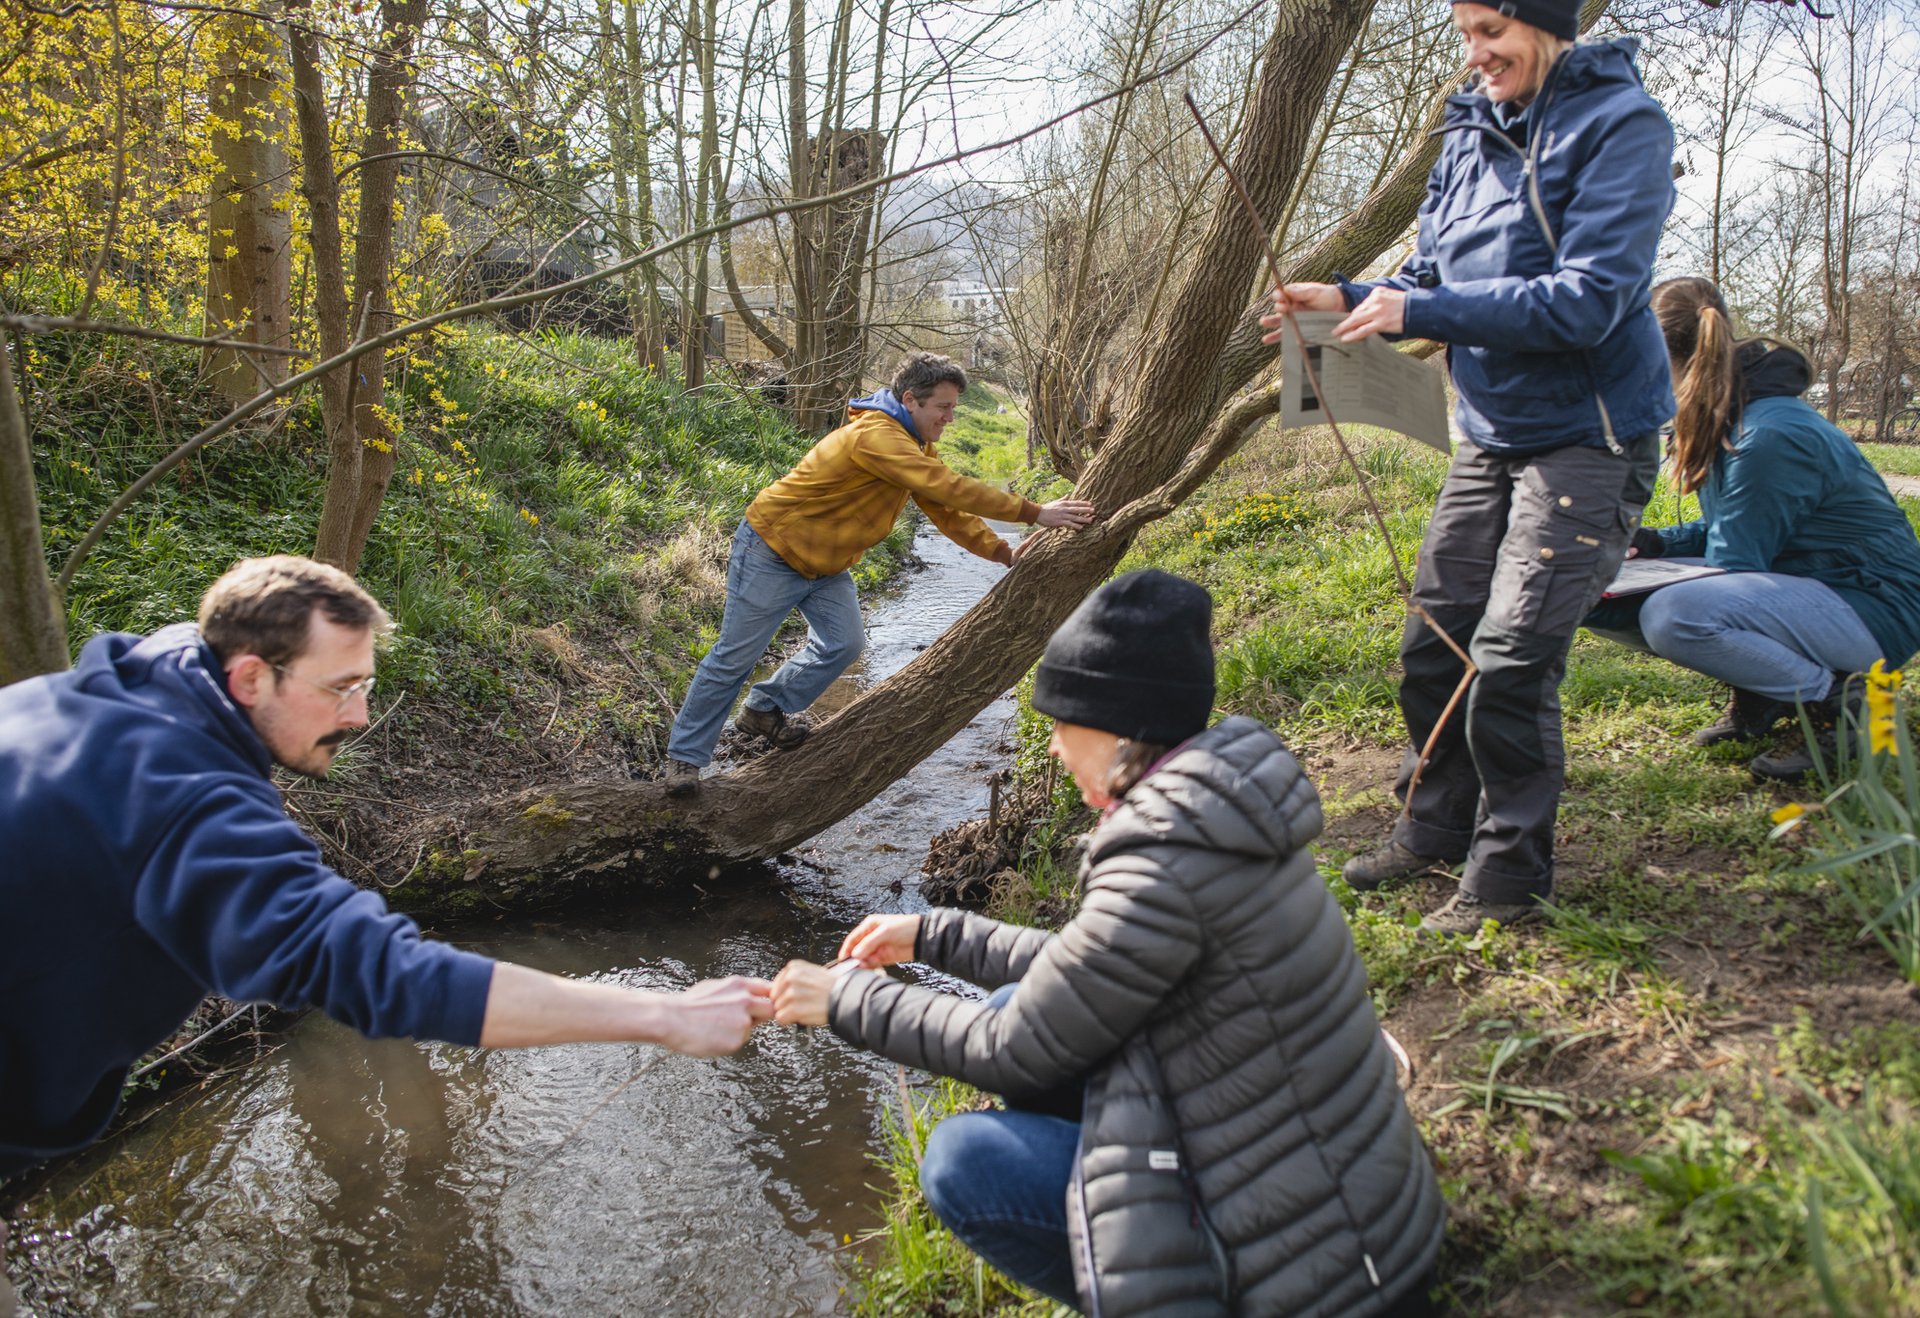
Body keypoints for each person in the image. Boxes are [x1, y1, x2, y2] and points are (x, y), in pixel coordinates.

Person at [770, 571, 1445, 1316]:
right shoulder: (1210, 813)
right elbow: (1088, 972)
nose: (1055, 747)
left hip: (1316, 1277)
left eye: (1063, 723)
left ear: (1119, 727)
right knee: (1009, 997)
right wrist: (934, 934)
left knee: (964, 1161)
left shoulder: (1164, 857)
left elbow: (1012, 1048)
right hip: (1344, 1213)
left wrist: (845, 999)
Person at [0, 556, 772, 1186]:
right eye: (340, 689)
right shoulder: (182, 802)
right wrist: (661, 1017)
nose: (360, 716)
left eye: (365, 683)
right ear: (247, 680)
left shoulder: (139, 684)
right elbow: (381, 973)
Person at [1260, 0, 1675, 932]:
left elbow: (1589, 301)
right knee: (1434, 640)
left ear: (1548, 22)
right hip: (1490, 432)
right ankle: (1433, 826)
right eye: (1465, 34)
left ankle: (1508, 878)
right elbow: (1431, 276)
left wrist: (1421, 316)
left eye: (1494, 32)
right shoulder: (1468, 127)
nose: (1477, 54)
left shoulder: (1622, 124)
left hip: (1588, 433)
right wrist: (1353, 297)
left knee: (1514, 657)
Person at [662, 352, 1095, 793]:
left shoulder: (912, 444)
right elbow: (948, 487)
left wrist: (1003, 552)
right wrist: (1034, 512)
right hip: (772, 550)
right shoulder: (877, 437)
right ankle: (684, 759)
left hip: (827, 564)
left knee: (844, 643)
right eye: (943, 408)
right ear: (910, 399)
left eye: (953, 408)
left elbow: (943, 507)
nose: (949, 418)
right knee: (734, 658)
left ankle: (763, 708)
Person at [1584, 276, 1920, 781]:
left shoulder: (1766, 436)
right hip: (1810, 587)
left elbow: (1737, 564)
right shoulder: (1731, 412)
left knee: (1675, 615)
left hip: (1873, 607)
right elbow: (1739, 528)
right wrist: (1654, 544)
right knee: (1588, 582)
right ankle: (1769, 689)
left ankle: (1843, 701)